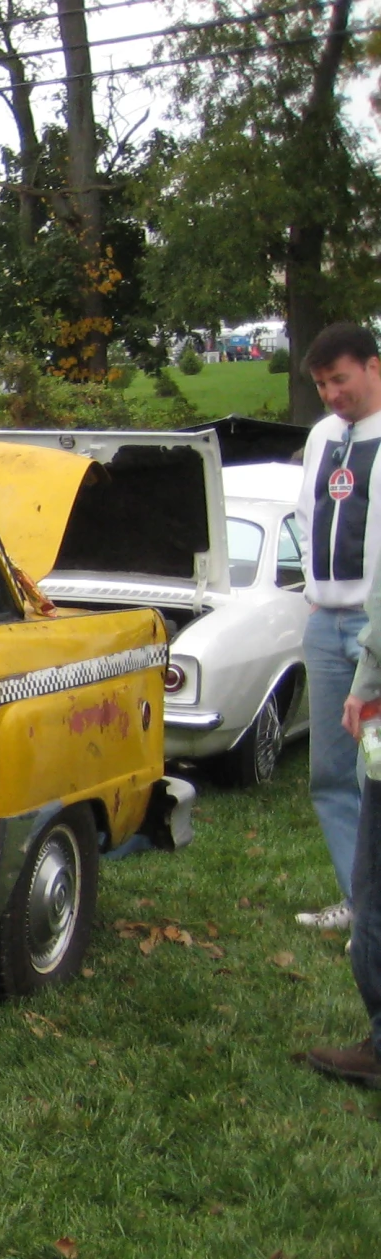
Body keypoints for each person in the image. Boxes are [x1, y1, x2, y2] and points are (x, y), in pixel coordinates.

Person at [299, 322, 381, 1083]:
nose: (332, 394)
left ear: (371, 367)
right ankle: (360, 906)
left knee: (374, 774)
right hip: (324, 619)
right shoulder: (325, 437)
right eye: (323, 384)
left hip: (372, 621)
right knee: (330, 773)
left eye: (341, 379)